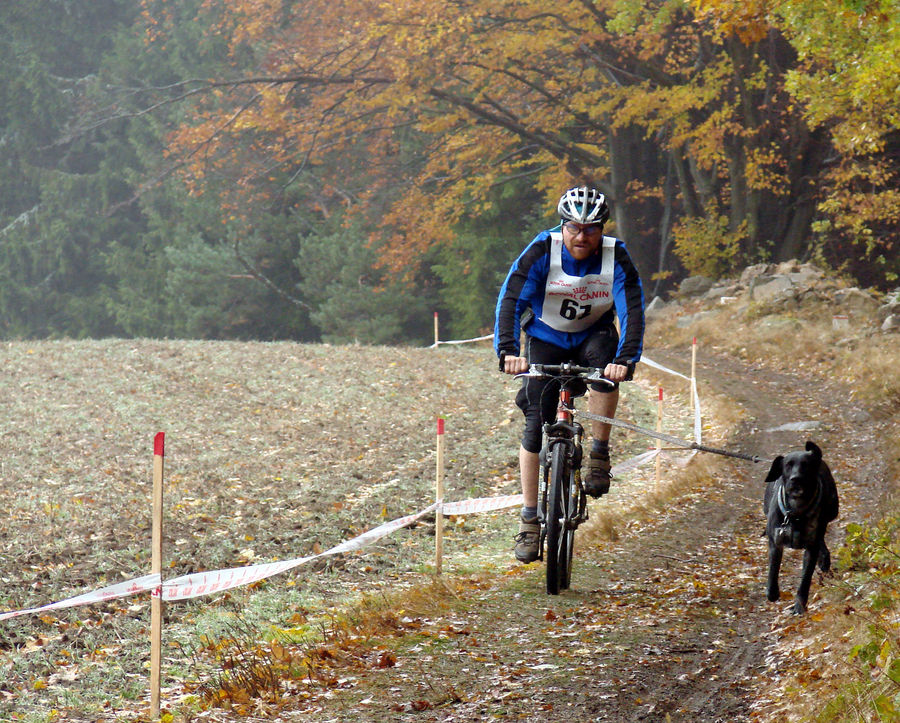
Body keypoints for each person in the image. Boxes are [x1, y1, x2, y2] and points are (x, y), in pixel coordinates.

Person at [494, 185, 645, 563]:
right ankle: (530, 520)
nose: (582, 237)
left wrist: (626, 358)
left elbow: (633, 309)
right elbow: (510, 298)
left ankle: (599, 453)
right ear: (562, 227)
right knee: (533, 425)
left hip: (594, 335)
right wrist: (508, 350)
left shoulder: (616, 256)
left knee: (606, 370)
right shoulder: (542, 250)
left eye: (591, 229)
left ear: (602, 230)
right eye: (574, 228)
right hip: (546, 338)